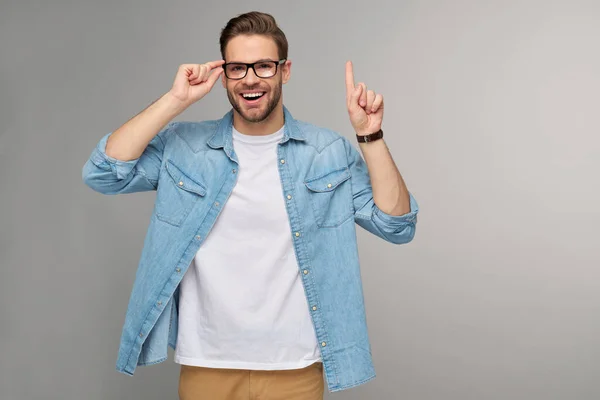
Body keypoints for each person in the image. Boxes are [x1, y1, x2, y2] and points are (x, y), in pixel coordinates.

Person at [82, 10, 419, 400]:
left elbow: (397, 226)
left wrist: (370, 135)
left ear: (284, 70)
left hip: (295, 366)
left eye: (263, 65)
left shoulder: (326, 152)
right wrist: (175, 101)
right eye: (238, 68)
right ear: (224, 75)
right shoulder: (185, 147)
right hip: (207, 362)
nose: (251, 79)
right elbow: (103, 173)